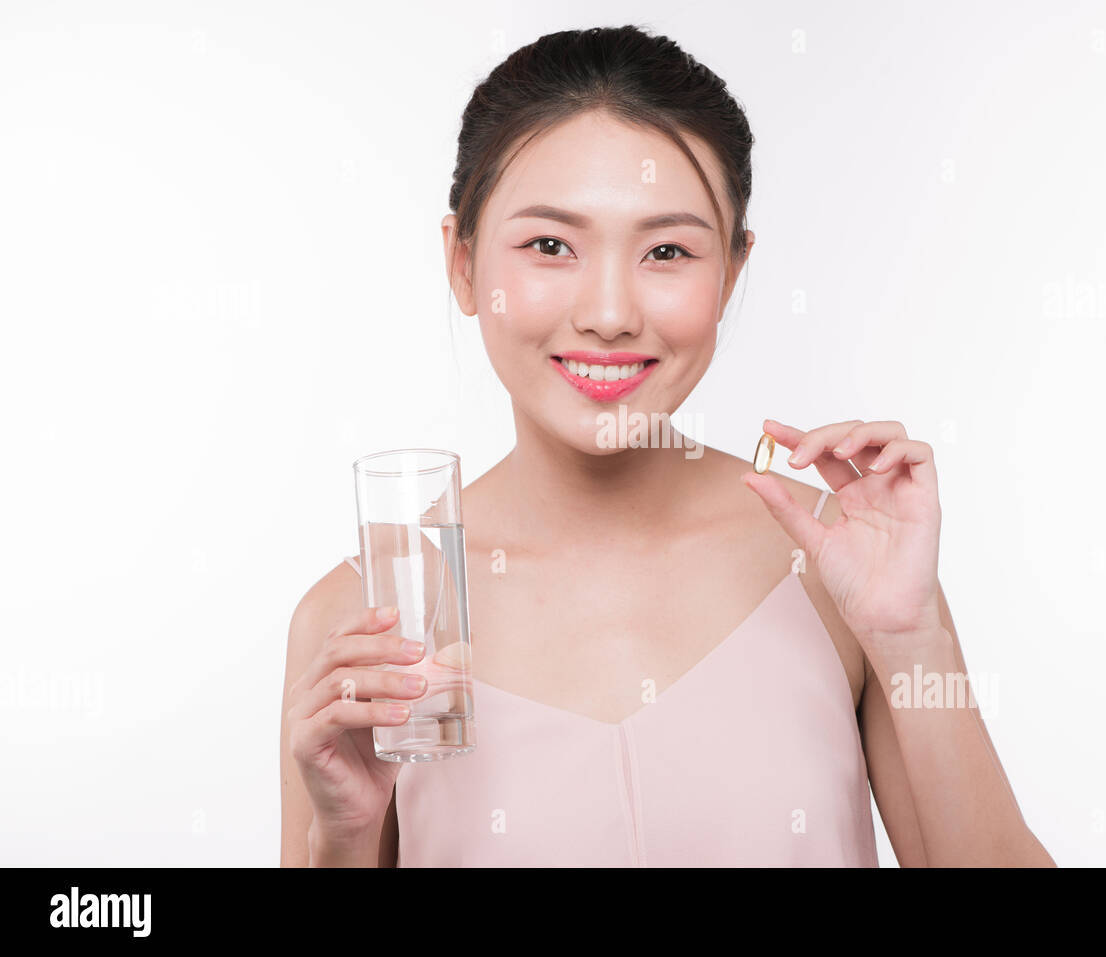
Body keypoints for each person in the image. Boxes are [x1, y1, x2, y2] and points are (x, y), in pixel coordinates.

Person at [280, 24, 1054, 867]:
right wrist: (343, 840)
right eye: (550, 245)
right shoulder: (363, 619)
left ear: (732, 268)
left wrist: (913, 638)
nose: (610, 311)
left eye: (667, 251)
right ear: (463, 262)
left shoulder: (838, 565)